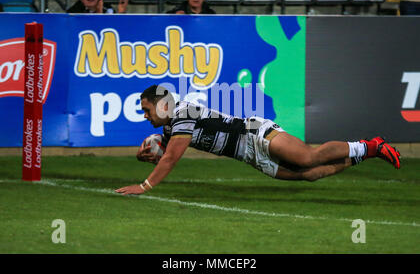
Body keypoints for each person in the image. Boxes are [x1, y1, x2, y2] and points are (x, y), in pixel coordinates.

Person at [115, 85, 401, 195]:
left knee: (307, 158)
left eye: (146, 109)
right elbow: (165, 150)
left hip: (255, 134)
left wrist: (145, 185)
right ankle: (367, 153)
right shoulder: (171, 128)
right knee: (311, 174)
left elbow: (171, 157)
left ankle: (371, 144)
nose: (144, 115)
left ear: (162, 105)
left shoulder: (183, 112)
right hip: (249, 156)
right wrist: (148, 154)